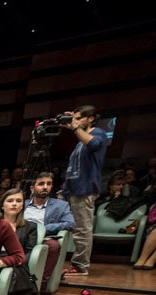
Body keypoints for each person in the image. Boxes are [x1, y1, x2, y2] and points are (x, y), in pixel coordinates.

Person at [61, 104, 108, 276]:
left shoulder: (98, 134)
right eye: (75, 117)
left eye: (80, 118)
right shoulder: (80, 141)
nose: (76, 121)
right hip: (72, 189)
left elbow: (93, 143)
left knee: (82, 229)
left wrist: (74, 127)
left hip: (85, 189)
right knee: (71, 227)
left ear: (91, 118)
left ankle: (80, 266)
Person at [22, 172, 74, 287]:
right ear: (32, 188)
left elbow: (70, 224)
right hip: (22, 237)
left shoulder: (61, 205)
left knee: (53, 246)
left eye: (48, 184)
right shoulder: (22, 204)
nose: (45, 187)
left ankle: (40, 284)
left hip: (43, 238)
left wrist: (44, 228)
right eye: (41, 184)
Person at [0, 188, 37, 258]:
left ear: (22, 206)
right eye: (10, 201)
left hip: (17, 265)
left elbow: (29, 255)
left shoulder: (31, 227)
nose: (14, 204)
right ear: (2, 205)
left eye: (19, 201)